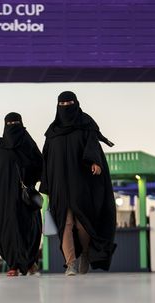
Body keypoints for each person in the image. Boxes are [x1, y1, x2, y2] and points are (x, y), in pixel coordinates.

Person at [40, 91, 117, 276]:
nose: (66, 107)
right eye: (62, 104)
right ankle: (71, 263)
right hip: (60, 187)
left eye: (69, 103)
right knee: (64, 224)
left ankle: (84, 254)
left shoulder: (85, 126)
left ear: (76, 103)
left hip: (81, 184)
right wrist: (47, 185)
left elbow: (93, 147)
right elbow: (46, 160)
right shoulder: (52, 133)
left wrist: (95, 162)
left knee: (83, 224)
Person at [0, 112, 43, 276]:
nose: (13, 127)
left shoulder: (28, 146)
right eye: (10, 124)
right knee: (6, 231)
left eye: (15, 123)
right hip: (4, 199)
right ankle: (13, 264)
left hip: (25, 198)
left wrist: (44, 185)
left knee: (29, 231)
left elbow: (42, 166)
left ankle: (29, 263)